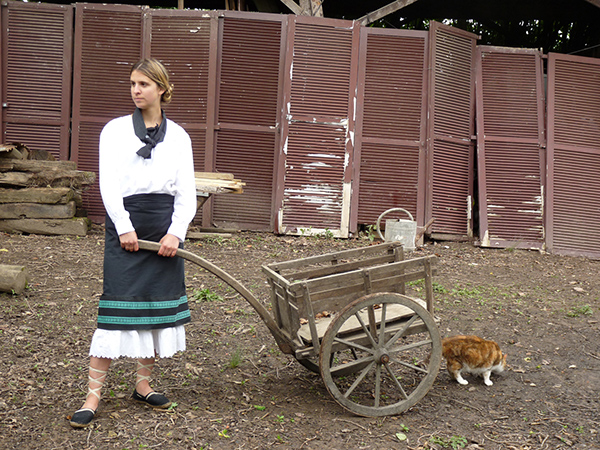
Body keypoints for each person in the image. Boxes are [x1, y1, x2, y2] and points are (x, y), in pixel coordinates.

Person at [70, 58, 197, 428]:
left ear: (161, 88)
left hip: (164, 229)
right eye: (132, 84)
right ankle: (92, 396)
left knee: (156, 310)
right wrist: (123, 226)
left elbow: (186, 192)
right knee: (115, 311)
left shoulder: (180, 137)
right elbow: (108, 184)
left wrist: (176, 232)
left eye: (143, 84)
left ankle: (143, 385)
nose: (136, 90)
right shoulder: (114, 131)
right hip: (125, 227)